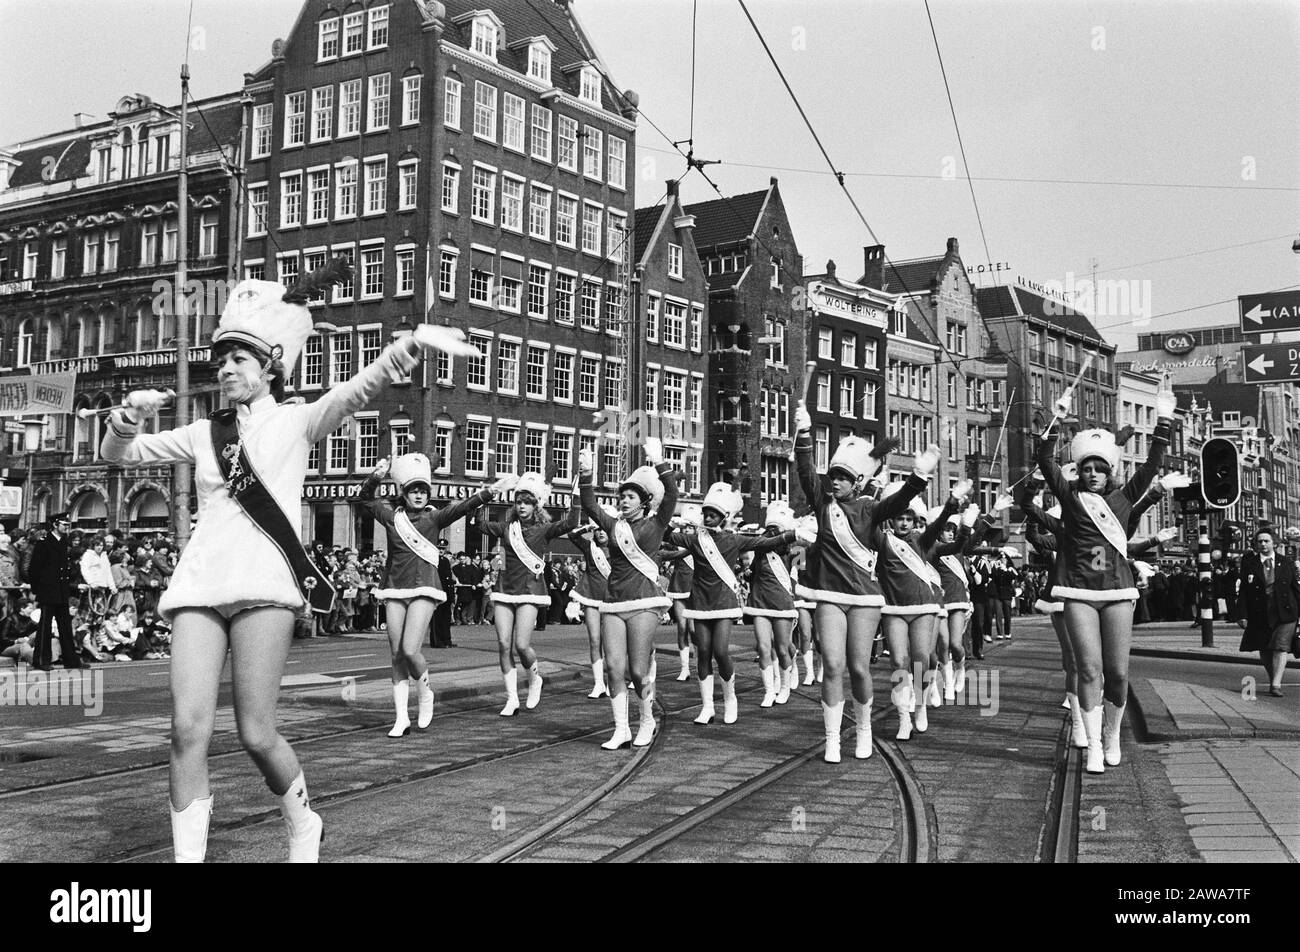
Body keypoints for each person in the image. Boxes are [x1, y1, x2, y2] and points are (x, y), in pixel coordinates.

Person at [100, 264, 471, 862]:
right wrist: (128, 416)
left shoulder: (297, 421)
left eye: (239, 361)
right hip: (200, 584)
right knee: (185, 732)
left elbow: (355, 392)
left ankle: (303, 822)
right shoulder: (202, 432)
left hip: (265, 588)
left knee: (255, 732)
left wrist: (405, 348)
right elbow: (119, 458)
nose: (225, 371)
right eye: (221, 362)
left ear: (272, 364)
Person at [1036, 377, 1173, 773]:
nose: (1093, 473)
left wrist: (1163, 420)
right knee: (1089, 668)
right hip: (1078, 591)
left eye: (1100, 468)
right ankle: (1094, 744)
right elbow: (1045, 462)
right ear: (1079, 470)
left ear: (1109, 471)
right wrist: (1056, 422)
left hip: (1117, 592)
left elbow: (1151, 465)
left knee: (1118, 672)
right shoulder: (1069, 495)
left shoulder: (1125, 497)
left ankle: (1113, 734)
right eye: (1087, 467)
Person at [794, 399, 936, 762]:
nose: (835, 481)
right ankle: (831, 739)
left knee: (859, 667)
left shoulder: (872, 509)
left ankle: (863, 729)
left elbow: (901, 498)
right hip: (829, 595)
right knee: (833, 665)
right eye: (833, 475)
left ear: (858, 480)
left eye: (842, 476)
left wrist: (919, 476)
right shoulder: (822, 504)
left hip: (865, 598)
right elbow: (804, 469)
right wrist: (804, 432)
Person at [360, 453, 503, 737]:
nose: (418, 495)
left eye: (423, 490)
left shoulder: (434, 517)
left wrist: (488, 493)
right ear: (404, 492)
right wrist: (377, 475)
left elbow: (463, 507)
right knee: (396, 654)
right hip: (395, 586)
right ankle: (401, 717)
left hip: (425, 585)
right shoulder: (392, 516)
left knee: (411, 650)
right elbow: (364, 498)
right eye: (413, 490)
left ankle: (425, 694)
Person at [668, 483, 803, 724]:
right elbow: (664, 536)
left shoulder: (734, 539)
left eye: (713, 515)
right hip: (699, 603)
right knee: (703, 654)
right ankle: (707, 706)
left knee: (720, 652)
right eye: (706, 514)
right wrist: (671, 525)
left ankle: (730, 700)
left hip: (724, 603)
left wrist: (794, 534)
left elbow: (765, 544)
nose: (708, 518)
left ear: (724, 517)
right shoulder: (694, 539)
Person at [578, 438, 677, 749]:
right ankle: (621, 728)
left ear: (643, 501)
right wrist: (586, 472)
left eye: (630, 496)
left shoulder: (656, 524)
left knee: (637, 669)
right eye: (621, 496)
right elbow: (590, 504)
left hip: (645, 602)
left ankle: (647, 719)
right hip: (613, 602)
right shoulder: (614, 526)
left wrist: (660, 462)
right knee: (613, 667)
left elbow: (672, 493)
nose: (623, 501)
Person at [476, 473, 579, 716]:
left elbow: (571, 523)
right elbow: (479, 524)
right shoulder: (505, 527)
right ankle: (512, 698)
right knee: (503, 644)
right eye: (518, 501)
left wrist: (576, 496)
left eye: (527, 502)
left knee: (521, 645)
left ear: (536, 505)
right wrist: (484, 495)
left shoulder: (544, 529)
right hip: (504, 590)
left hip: (530, 591)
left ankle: (535, 679)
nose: (521, 506)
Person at [743, 501, 807, 707]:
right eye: (768, 529)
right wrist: (747, 573)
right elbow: (752, 572)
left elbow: (800, 575)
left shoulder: (796, 550)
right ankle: (769, 691)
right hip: (760, 602)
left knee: (782, 648)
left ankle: (786, 686)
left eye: (775, 529)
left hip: (783, 602)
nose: (770, 533)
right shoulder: (760, 549)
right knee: (763, 647)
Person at [1236, 527, 1298, 698]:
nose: (1263, 544)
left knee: (1280, 646)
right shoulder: (1250, 564)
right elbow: (1244, 592)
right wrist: (1241, 614)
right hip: (1260, 611)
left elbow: (1295, 588)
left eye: (1266, 541)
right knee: (1264, 648)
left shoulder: (1286, 562)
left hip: (1285, 612)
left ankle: (1276, 684)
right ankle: (1273, 680)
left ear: (1274, 543)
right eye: (1260, 541)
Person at [28, 512, 87, 672]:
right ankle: (41, 660)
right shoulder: (44, 543)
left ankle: (71, 660)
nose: (67, 527)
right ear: (55, 524)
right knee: (45, 628)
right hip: (48, 591)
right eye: (64, 524)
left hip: (61, 591)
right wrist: (37, 590)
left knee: (65, 627)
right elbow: (34, 569)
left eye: (68, 524)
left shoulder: (64, 543)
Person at [568, 508, 617, 699]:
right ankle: (599, 684)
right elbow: (572, 535)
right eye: (598, 529)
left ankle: (614, 678)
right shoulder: (589, 547)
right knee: (595, 640)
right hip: (591, 596)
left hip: (613, 598)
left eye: (604, 528)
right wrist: (587, 526)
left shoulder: (619, 546)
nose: (601, 532)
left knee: (612, 642)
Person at [662, 506, 700, 681]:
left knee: (694, 629)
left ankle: (700, 662)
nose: (687, 530)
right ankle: (684, 668)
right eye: (685, 527)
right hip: (678, 586)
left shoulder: (701, 543)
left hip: (695, 588)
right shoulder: (676, 542)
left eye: (690, 527)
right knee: (682, 628)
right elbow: (660, 541)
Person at [432, 539, 457, 647]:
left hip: (446, 592)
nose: (441, 550)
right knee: (437, 619)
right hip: (438, 592)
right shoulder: (433, 560)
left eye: (443, 549)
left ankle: (447, 640)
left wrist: (451, 596)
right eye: (439, 548)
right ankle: (437, 641)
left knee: (446, 619)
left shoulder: (446, 561)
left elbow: (449, 579)